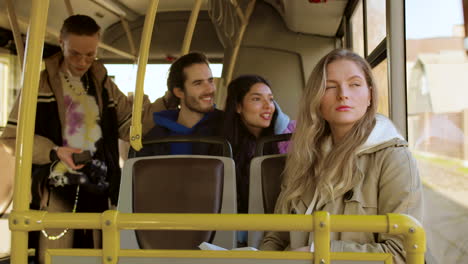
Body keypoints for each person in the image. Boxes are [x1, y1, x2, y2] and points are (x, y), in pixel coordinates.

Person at [0, 15, 168, 264]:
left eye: (90, 55)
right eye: (75, 54)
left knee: (98, 257)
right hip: (54, 195)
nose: (82, 62)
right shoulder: (39, 86)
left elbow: (128, 129)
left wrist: (166, 103)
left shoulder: (104, 85)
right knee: (55, 258)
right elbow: (12, 139)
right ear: (61, 43)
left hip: (100, 193)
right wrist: (55, 151)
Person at [260, 49, 423, 264]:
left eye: (355, 84)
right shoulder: (303, 157)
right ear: (317, 99)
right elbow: (276, 236)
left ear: (370, 95)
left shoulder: (394, 159)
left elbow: (402, 252)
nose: (343, 94)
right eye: (330, 86)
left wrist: (316, 253)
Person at [223, 74, 295, 215]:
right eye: (257, 99)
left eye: (271, 99)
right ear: (238, 106)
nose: (268, 106)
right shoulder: (224, 145)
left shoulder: (288, 138)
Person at [137, 52, 223, 156]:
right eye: (198, 83)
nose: (209, 89)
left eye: (210, 81)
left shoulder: (228, 127)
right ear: (179, 92)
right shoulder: (155, 140)